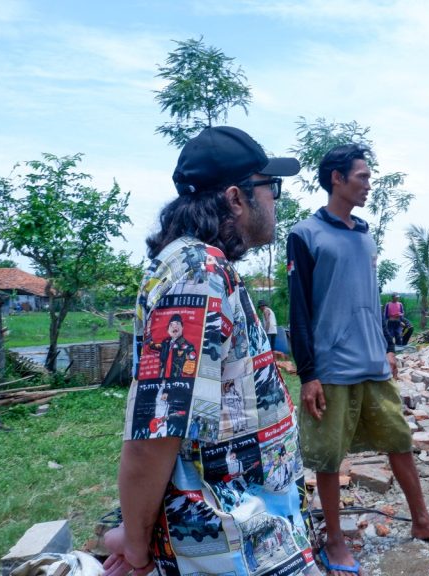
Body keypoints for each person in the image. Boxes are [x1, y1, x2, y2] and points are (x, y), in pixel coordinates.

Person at [103, 126, 320, 576]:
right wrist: (137, 544)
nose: (276, 201)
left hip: (250, 525)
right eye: (271, 187)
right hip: (228, 537)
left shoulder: (205, 269)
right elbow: (157, 430)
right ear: (238, 199)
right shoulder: (196, 276)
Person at [288, 144, 429, 576]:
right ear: (336, 178)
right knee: (329, 457)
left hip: (373, 361)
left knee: (399, 440)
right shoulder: (306, 234)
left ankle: (423, 520)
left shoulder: (364, 233)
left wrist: (388, 347)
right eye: (362, 177)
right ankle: (335, 540)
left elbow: (369, 299)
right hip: (331, 366)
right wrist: (308, 374)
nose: (368, 185)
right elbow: (298, 311)